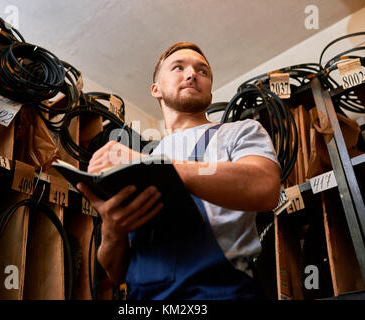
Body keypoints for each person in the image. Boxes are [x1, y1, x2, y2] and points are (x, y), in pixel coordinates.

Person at [77, 42, 281, 300]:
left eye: (203, 71)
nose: (192, 74)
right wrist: (112, 231)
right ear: (156, 89)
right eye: (178, 67)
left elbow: (265, 188)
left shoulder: (239, 131)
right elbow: (117, 274)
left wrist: (155, 167)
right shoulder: (144, 158)